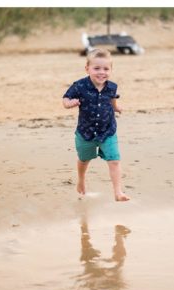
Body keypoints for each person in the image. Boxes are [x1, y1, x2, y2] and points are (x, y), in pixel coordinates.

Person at [62, 48, 129, 201]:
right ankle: (81, 180)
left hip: (107, 131)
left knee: (114, 160)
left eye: (106, 69)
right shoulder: (79, 86)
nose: (101, 72)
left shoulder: (112, 86)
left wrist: (116, 107)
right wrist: (69, 103)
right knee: (84, 160)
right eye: (96, 68)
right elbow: (65, 99)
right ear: (87, 69)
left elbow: (112, 99)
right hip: (85, 132)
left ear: (111, 70)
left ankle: (118, 192)